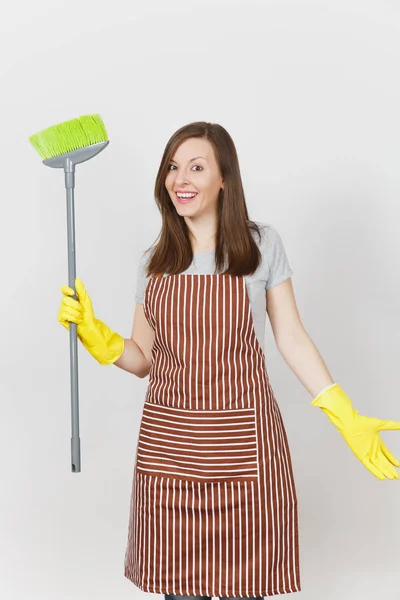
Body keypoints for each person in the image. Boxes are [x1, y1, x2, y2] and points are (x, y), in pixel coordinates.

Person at [57, 121, 400, 599]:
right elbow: (142, 360)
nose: (181, 179)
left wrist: (344, 413)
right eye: (173, 168)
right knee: (179, 589)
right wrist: (98, 336)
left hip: (246, 453)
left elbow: (292, 337)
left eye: (197, 167)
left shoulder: (261, 247)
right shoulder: (154, 261)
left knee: (246, 586)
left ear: (224, 179)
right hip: (170, 455)